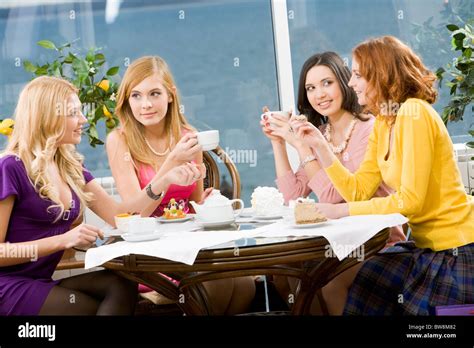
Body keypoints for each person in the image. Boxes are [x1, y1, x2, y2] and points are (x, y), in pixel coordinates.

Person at [296, 36, 474, 315]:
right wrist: (320, 145)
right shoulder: (384, 120)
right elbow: (358, 190)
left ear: (381, 74)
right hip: (426, 247)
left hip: (457, 248)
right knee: (368, 279)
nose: (351, 83)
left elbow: (410, 202)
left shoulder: (414, 113)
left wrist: (338, 211)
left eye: (357, 75)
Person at [0, 76, 206, 315]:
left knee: (122, 284)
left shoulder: (70, 167)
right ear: (48, 116)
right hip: (7, 287)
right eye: (73, 113)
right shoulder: (10, 167)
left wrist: (164, 179)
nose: (83, 120)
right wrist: (64, 240)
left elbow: (122, 216)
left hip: (40, 282)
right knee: (91, 310)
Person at [106, 56, 255, 315]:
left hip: (188, 245)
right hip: (150, 253)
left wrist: (208, 203)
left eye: (154, 93)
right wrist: (170, 164)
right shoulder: (120, 140)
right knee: (215, 284)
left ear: (171, 95)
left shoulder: (188, 137)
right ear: (127, 101)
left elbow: (194, 205)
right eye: (136, 96)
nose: (146, 105)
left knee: (244, 286)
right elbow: (131, 215)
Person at [260, 52, 405, 314]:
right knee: (287, 277)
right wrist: (278, 143)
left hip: (377, 242)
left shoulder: (368, 129)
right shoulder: (320, 134)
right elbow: (292, 195)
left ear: (344, 82)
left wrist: (303, 147)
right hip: (335, 243)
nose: (319, 94)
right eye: (311, 88)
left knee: (328, 284)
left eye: (327, 83)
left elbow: (334, 197)